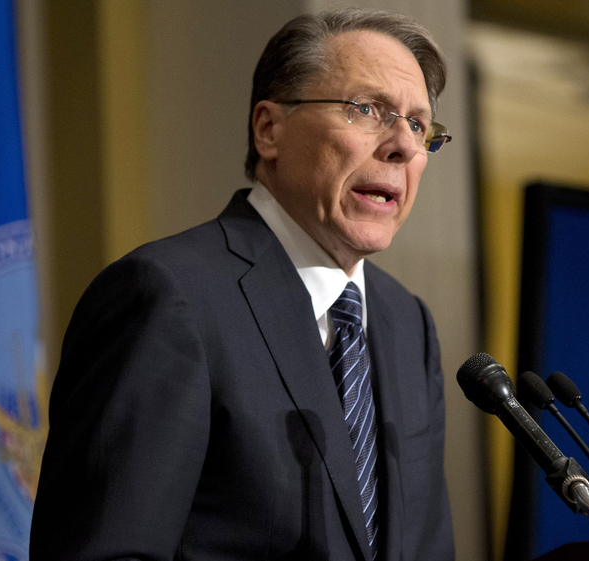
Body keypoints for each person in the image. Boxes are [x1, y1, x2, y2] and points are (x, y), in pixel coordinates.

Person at [31, 8, 455, 561]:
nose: (402, 144)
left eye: (419, 125)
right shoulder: (167, 297)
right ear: (269, 129)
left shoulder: (408, 324)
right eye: (368, 109)